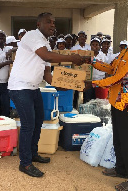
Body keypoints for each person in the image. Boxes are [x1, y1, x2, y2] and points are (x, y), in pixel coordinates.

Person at [8, 12, 83, 178]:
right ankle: (25, 163)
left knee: (38, 120)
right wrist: (72, 58)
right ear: (38, 24)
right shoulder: (32, 36)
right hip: (20, 87)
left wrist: (61, 85)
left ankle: (33, 153)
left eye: (54, 23)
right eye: (48, 22)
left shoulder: (46, 44)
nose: (52, 25)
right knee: (28, 124)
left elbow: (47, 74)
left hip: (33, 88)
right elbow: (47, 56)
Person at [90, 14, 128, 191]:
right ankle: (121, 169)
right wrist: (92, 61)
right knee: (118, 137)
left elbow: (122, 76)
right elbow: (112, 68)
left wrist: (94, 83)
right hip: (117, 100)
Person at [83, 37, 106, 103]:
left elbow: (107, 70)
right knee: (88, 100)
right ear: (90, 46)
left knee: (99, 102)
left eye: (97, 45)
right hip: (89, 82)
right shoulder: (86, 55)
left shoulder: (103, 56)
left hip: (100, 83)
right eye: (93, 44)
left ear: (99, 46)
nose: (95, 46)